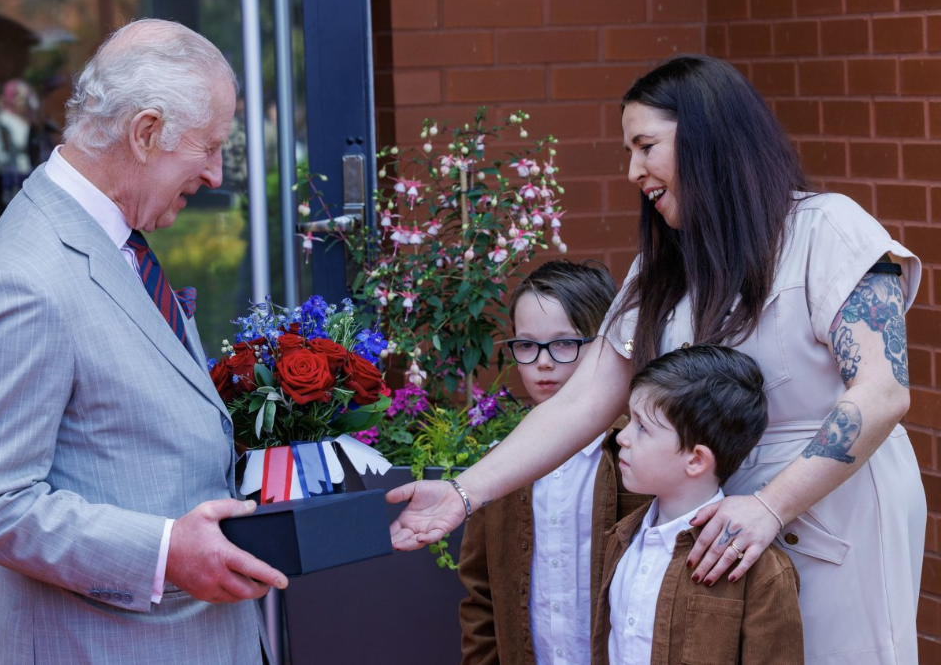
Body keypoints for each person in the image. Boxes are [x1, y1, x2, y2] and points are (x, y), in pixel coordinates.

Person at [388, 54, 924, 665]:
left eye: (646, 146)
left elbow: (883, 392)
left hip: (834, 510)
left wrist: (772, 506)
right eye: (629, 152)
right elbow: (584, 400)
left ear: (708, 138)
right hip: (716, 519)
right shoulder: (664, 269)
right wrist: (464, 492)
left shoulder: (827, 228)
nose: (634, 170)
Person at [0, 19, 288, 664]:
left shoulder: (109, 236)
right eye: (210, 147)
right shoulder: (30, 278)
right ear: (146, 132)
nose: (217, 174)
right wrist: (165, 551)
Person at [459, 260, 649, 665]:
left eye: (564, 343)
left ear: (604, 344)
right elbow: (480, 595)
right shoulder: (500, 467)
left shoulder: (638, 458)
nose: (543, 362)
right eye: (526, 345)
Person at [593, 345, 802, 665]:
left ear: (696, 459)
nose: (623, 436)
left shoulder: (760, 571)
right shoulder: (622, 538)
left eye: (642, 426)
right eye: (628, 419)